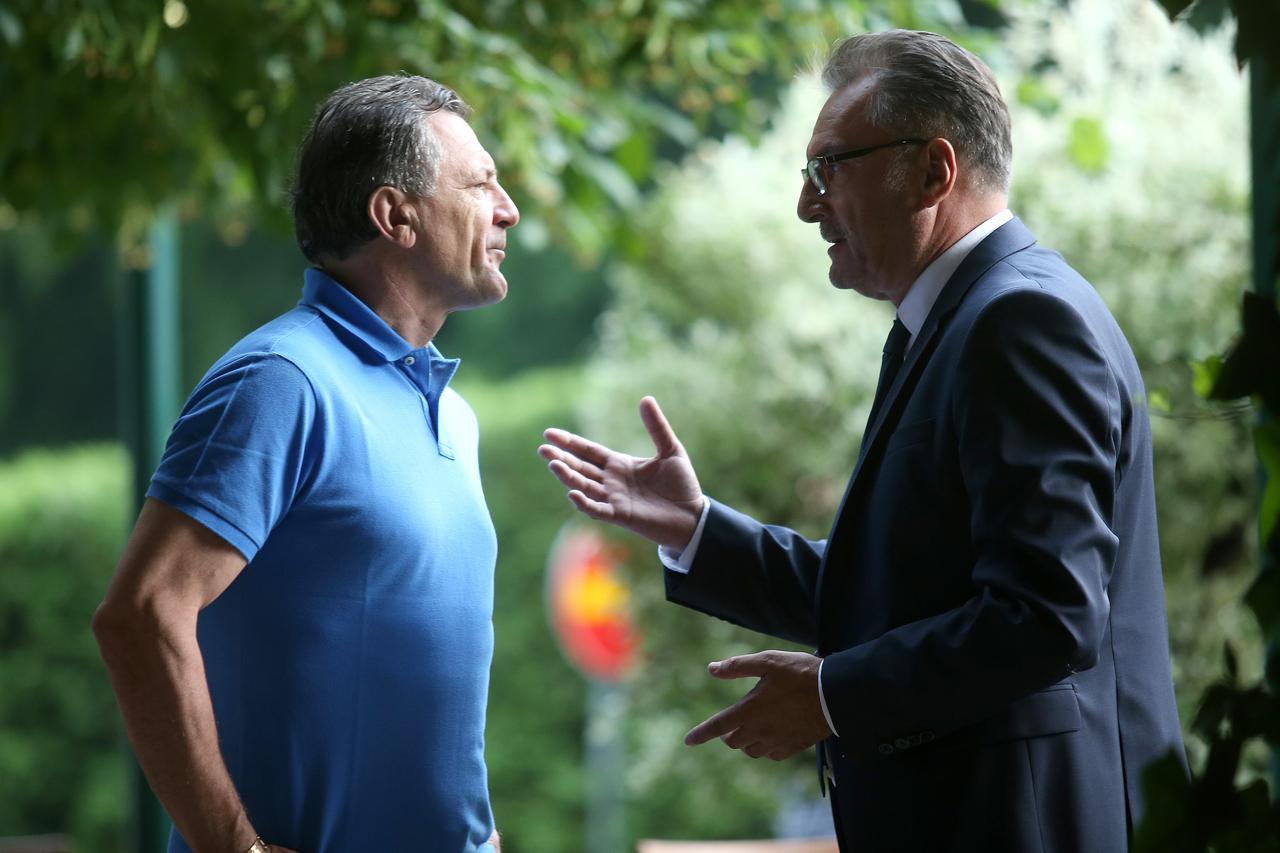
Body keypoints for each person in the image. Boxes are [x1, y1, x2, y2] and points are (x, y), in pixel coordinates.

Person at [540, 30, 1185, 852]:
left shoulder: (1020, 321)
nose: (807, 205)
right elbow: (891, 593)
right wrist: (695, 529)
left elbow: (1045, 617)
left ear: (933, 171)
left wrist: (830, 696)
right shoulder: (956, 322)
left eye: (829, 169)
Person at [93, 75, 518, 853]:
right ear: (395, 215)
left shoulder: (455, 412)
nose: (508, 208)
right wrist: (238, 847)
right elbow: (141, 612)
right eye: (481, 183)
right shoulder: (280, 381)